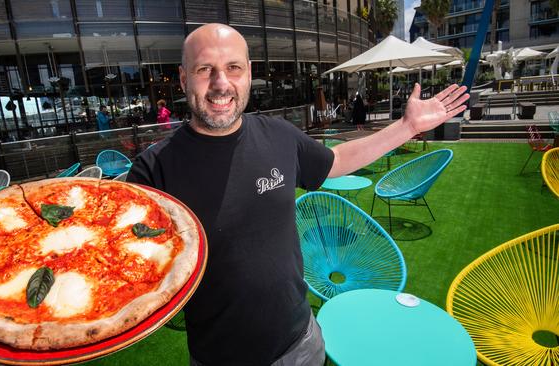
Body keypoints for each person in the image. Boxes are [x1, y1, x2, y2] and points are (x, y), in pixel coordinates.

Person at [127, 24, 468, 366]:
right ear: (184, 79)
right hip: (217, 356)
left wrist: (406, 127)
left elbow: (337, 160)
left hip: (300, 345)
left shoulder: (279, 136)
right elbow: (127, 264)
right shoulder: (154, 170)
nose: (221, 83)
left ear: (248, 74)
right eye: (205, 70)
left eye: (233, 68)